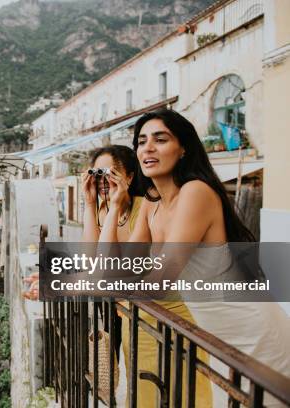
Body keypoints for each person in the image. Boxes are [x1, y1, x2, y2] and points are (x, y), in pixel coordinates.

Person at [101, 109, 290, 407]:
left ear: (184, 148)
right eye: (141, 141)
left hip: (251, 332)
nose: (147, 147)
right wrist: (112, 207)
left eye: (160, 139)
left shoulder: (196, 192)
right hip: (215, 338)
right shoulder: (152, 202)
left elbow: (161, 278)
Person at [82, 145, 212, 408]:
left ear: (129, 177)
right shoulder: (104, 211)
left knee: (178, 389)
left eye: (109, 173)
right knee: (143, 388)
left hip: (164, 314)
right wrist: (88, 204)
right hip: (133, 316)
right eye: (97, 175)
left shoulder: (145, 207)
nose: (102, 182)